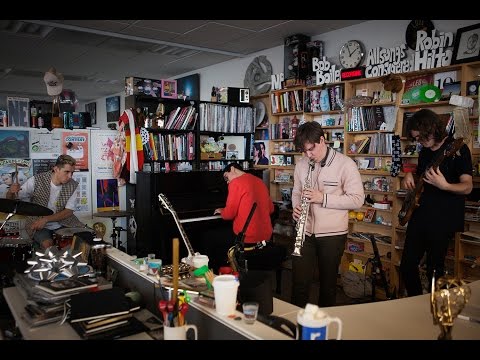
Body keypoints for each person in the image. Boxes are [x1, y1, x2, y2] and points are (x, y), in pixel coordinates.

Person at [400, 109, 473, 297]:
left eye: (419, 137)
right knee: (407, 266)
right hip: (420, 214)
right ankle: (416, 303)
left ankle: (434, 310)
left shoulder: (458, 149)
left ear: (430, 129)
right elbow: (423, 175)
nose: (418, 142)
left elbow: (467, 187)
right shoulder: (425, 151)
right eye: (415, 139)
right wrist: (410, 174)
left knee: (435, 270)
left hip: (442, 219)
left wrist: (445, 185)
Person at [291, 121, 364, 308]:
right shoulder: (301, 164)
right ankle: (294, 329)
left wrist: (322, 198)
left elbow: (357, 200)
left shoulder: (345, 164)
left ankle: (323, 329)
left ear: (322, 140)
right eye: (304, 151)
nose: (308, 155)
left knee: (328, 285)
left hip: (332, 235)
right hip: (305, 232)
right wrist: (296, 208)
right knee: (299, 283)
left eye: (311, 149)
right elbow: (297, 191)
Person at [213, 163, 283, 272]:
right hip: (265, 237)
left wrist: (222, 211)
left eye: (226, 177)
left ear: (232, 169)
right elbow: (271, 209)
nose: (227, 182)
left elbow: (229, 214)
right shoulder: (259, 181)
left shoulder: (236, 183)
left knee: (210, 240)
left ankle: (222, 278)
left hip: (247, 238)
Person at [6, 154, 85, 250]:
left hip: (64, 223)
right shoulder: (36, 180)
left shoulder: (73, 185)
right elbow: (12, 200)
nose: (70, 176)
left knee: (85, 239)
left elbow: (68, 211)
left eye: (72, 172)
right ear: (56, 169)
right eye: (67, 172)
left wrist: (46, 219)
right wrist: (10, 192)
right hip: (37, 222)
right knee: (48, 246)